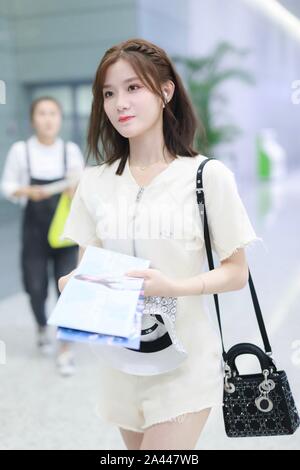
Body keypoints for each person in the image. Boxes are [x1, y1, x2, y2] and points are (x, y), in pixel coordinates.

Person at [58, 39, 263, 449]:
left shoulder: (207, 176)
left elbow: (237, 272)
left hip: (184, 364)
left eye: (133, 88)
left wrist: (173, 286)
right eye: (110, 93)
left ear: (165, 91)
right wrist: (76, 284)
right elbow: (89, 267)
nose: (120, 103)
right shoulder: (95, 182)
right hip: (119, 364)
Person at [1, 96, 84, 376]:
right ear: (33, 119)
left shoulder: (70, 151)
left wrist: (75, 190)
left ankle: (65, 348)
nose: (48, 119)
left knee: (66, 287)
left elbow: (80, 185)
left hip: (64, 230)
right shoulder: (20, 150)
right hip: (34, 229)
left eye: (53, 113)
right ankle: (40, 325)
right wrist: (27, 191)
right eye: (42, 113)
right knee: (35, 287)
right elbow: (7, 186)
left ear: (60, 119)